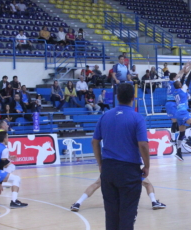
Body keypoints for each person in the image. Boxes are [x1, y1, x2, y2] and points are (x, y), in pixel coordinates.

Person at [92, 83, 150, 230]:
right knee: (127, 213)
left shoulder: (105, 115)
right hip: (128, 170)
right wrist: (147, 165)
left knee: (111, 214)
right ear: (133, 97)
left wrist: (100, 163)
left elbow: (94, 141)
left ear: (117, 97)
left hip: (108, 169)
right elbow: (143, 145)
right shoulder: (137, 118)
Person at [70, 177, 165, 212]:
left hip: (111, 167)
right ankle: (154, 202)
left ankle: (78, 203)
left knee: (96, 184)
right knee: (147, 184)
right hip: (128, 169)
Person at [0, 131, 28, 208]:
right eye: (7, 138)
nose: (8, 139)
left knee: (10, 168)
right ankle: (14, 201)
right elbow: (0, 165)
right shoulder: (4, 149)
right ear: (4, 139)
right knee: (16, 179)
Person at [173, 62, 191, 161]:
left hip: (178, 114)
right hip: (183, 112)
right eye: (180, 83)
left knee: (181, 133)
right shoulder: (182, 89)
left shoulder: (176, 91)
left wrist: (184, 72)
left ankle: (178, 152)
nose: (181, 83)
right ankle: (189, 139)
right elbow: (187, 80)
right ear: (179, 85)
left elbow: (183, 80)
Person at [165, 63, 190, 146]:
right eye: (176, 77)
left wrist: (184, 68)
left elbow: (178, 74)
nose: (178, 77)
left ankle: (178, 137)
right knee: (176, 121)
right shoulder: (173, 83)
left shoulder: (170, 82)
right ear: (174, 78)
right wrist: (186, 68)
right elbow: (179, 74)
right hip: (171, 103)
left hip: (171, 103)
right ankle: (175, 138)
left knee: (177, 120)